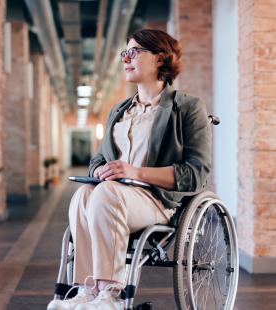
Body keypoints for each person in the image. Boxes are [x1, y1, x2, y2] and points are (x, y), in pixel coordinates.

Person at [47, 28, 211, 310]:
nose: (126, 58)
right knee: (84, 194)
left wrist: (134, 172)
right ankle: (87, 289)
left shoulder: (187, 107)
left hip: (157, 200)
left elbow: (196, 173)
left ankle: (110, 294)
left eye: (134, 52)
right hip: (113, 196)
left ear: (160, 59)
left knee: (105, 194)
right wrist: (100, 170)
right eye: (124, 52)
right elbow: (99, 158)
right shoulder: (119, 110)